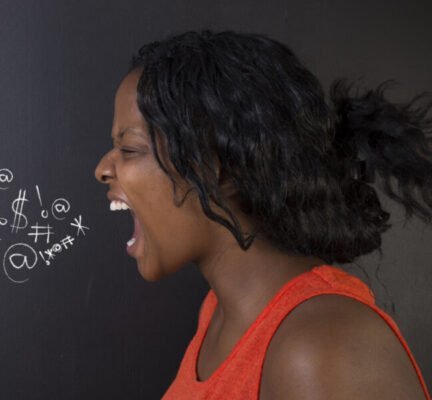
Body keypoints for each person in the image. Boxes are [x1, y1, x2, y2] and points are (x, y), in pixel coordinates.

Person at [94, 30, 432, 399]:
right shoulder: (219, 313)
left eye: (130, 148)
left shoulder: (320, 349)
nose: (102, 169)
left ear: (219, 169)